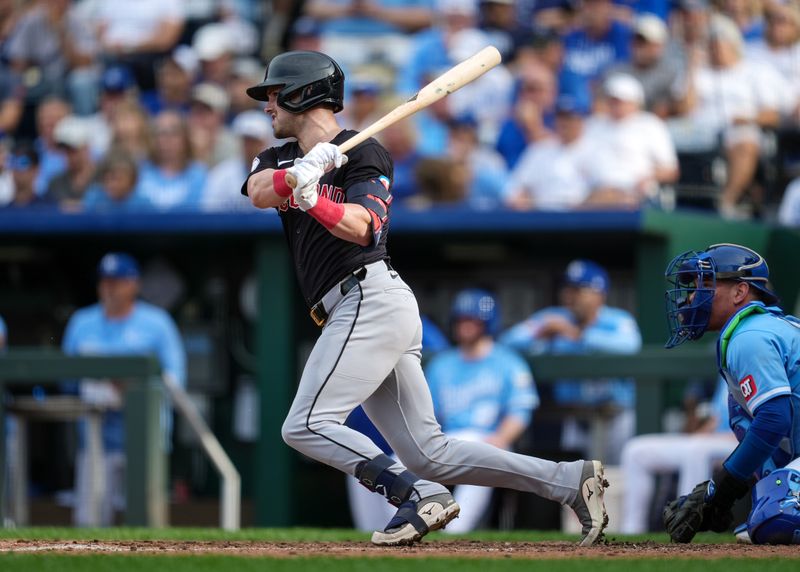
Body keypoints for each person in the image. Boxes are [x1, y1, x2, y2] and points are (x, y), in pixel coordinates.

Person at [242, 49, 608, 547]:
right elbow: (260, 190)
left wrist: (315, 197)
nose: (267, 106)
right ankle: (568, 480)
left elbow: (363, 227)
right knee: (429, 451)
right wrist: (298, 175)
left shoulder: (365, 152)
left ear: (302, 94)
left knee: (306, 424)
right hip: (356, 310)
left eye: (273, 95)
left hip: (367, 297)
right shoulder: (282, 157)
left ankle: (418, 496)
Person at [661, 243, 800, 545]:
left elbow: (775, 419)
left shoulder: (749, 336)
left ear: (739, 293)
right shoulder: (752, 331)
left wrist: (721, 487)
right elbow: (772, 441)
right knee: (763, 518)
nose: (692, 296)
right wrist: (720, 498)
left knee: (778, 516)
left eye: (706, 284)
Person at [62, 252, 186, 526]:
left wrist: (130, 386)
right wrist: (98, 382)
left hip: (144, 437)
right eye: (105, 281)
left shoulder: (157, 323)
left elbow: (176, 382)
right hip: (95, 437)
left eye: (117, 281)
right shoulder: (82, 322)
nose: (109, 287)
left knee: (146, 523)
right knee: (88, 523)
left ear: (134, 284)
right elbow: (65, 380)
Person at [500, 259, 642, 464]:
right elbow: (508, 341)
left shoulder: (617, 320)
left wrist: (576, 334)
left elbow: (630, 345)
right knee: (577, 483)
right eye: (567, 289)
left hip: (615, 416)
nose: (569, 296)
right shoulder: (554, 318)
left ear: (599, 294)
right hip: (574, 417)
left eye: (578, 290)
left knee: (617, 479)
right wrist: (539, 334)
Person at [426, 289, 539, 532]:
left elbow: (521, 411)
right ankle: (405, 526)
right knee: (397, 461)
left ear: (487, 323)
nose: (465, 326)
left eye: (472, 320)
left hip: (489, 438)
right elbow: (428, 414)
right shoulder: (441, 364)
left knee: (482, 452)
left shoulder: (508, 361)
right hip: (448, 439)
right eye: (461, 320)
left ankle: (456, 530)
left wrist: (501, 438)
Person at [620, 378, 738, 534]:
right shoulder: (726, 367)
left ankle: (688, 528)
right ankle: (631, 530)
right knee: (635, 451)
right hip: (711, 439)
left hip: (740, 442)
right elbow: (716, 417)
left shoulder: (755, 363)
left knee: (695, 450)